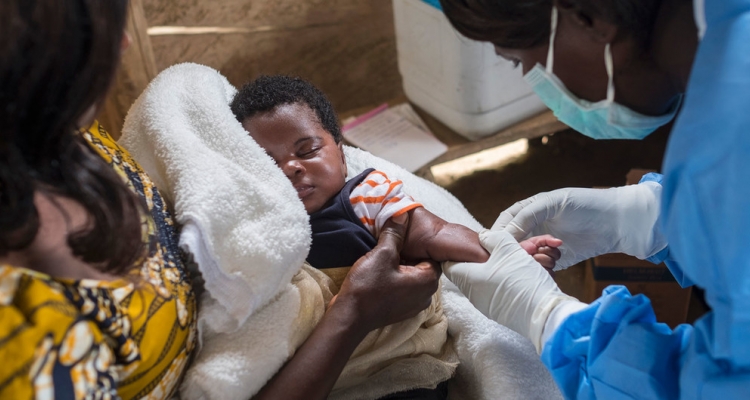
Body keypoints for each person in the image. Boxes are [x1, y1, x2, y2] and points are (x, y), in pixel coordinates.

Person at [0, 1, 441, 399]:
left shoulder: (67, 131)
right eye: (87, 36)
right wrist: (353, 314)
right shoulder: (20, 334)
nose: (124, 43)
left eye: (308, 150)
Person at [438, 0, 750, 398]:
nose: (534, 81)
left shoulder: (726, 143)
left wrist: (553, 321)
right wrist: (656, 215)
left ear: (589, 21)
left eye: (519, 61)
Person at [229, 75, 562, 399]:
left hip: (398, 373)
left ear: (342, 156)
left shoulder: (365, 197)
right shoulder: (257, 226)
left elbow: (436, 232)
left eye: (308, 150)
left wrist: (505, 259)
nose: (291, 167)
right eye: (269, 163)